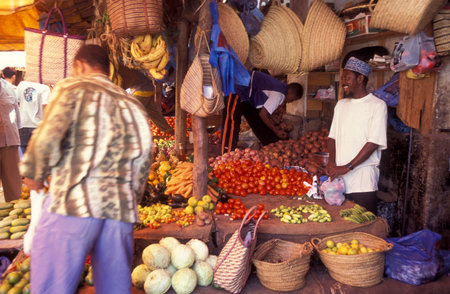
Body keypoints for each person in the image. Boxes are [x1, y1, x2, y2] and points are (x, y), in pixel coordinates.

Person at [20, 45, 152, 294]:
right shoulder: (132, 104)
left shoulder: (72, 89)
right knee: (114, 288)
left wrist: (33, 173)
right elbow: (144, 159)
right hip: (119, 211)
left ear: (79, 66)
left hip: (74, 203)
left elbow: (48, 136)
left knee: (52, 286)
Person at [327, 57, 388, 214]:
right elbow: (332, 137)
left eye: (347, 78)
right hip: (339, 180)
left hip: (363, 180)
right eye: (342, 78)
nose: (343, 82)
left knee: (364, 225)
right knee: (341, 225)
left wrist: (347, 167)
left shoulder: (377, 106)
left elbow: (373, 142)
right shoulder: (341, 105)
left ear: (360, 78)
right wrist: (332, 163)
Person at [221, 70, 303, 154]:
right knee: (231, 122)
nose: (290, 101)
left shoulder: (280, 88)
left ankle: (269, 144)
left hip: (246, 93)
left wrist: (276, 122)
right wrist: (276, 131)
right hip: (237, 88)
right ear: (293, 95)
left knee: (255, 118)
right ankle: (226, 153)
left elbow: (264, 111)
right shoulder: (279, 95)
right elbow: (263, 114)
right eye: (293, 100)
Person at [0, 72, 21, 202]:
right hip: (9, 139)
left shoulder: (9, 88)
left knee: (14, 190)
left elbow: (16, 117)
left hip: (9, 142)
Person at [16, 80, 51, 153]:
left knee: (24, 149)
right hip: (38, 124)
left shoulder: (21, 85)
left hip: (23, 123)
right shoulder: (44, 88)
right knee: (37, 152)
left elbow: (16, 101)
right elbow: (45, 106)